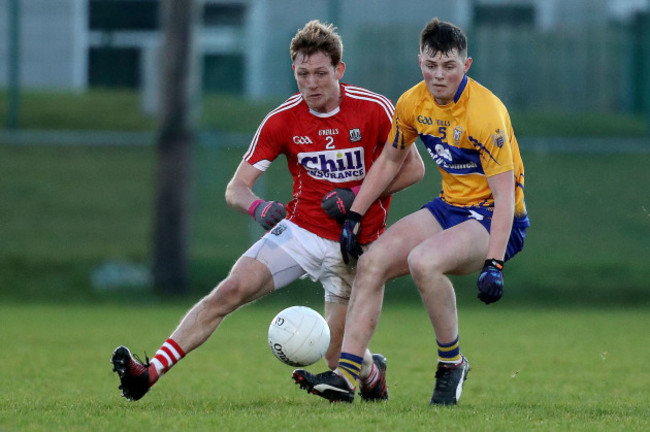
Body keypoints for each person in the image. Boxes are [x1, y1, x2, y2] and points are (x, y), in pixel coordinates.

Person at [111, 20, 424, 402]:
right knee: (229, 291)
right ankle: (149, 373)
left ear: (339, 71)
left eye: (320, 73)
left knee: (334, 351)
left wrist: (355, 197)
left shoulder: (374, 109)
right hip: (301, 232)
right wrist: (257, 207)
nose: (311, 83)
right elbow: (236, 189)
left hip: (356, 244)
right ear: (294, 71)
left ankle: (373, 374)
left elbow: (414, 169)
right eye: (302, 73)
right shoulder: (282, 119)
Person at [292, 18, 529, 405]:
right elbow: (389, 160)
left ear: (465, 66)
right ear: (419, 60)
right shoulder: (411, 102)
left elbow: (504, 200)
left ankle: (451, 364)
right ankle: (347, 375)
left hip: (494, 218)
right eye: (431, 65)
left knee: (423, 261)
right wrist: (355, 213)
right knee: (371, 262)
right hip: (449, 207)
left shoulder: (487, 114)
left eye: (449, 67)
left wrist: (495, 264)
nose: (439, 76)